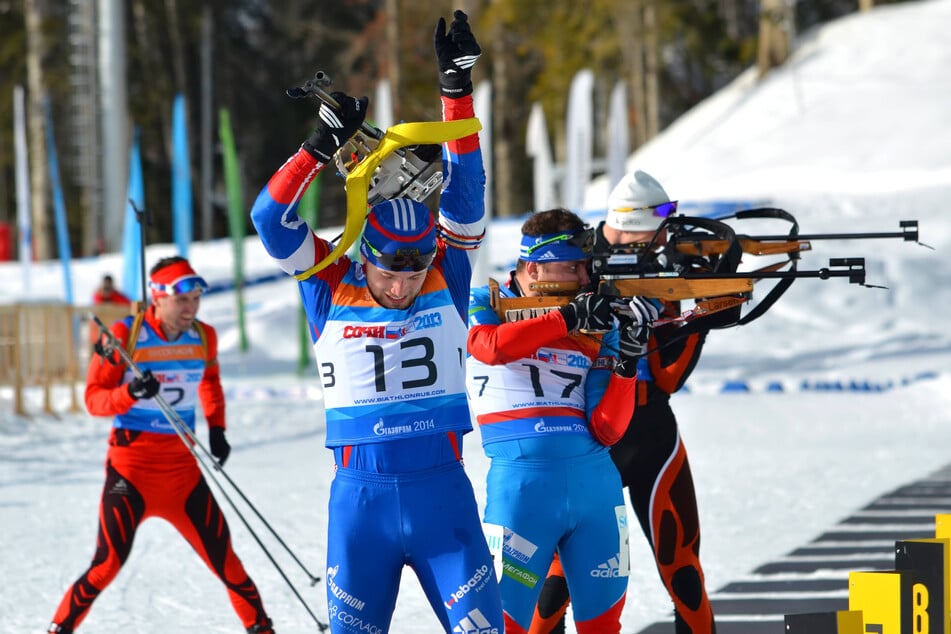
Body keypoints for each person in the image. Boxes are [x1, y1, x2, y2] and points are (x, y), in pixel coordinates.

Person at [249, 10, 503, 634]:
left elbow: (465, 190)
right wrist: (316, 149)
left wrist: (455, 93)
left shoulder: (448, 274)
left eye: (416, 271)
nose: (405, 284)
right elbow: (269, 218)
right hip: (359, 508)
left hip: (443, 498)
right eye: (392, 271)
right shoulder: (330, 280)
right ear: (366, 255)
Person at [531, 170, 717, 634]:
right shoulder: (575, 257)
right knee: (557, 578)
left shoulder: (664, 264)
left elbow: (669, 376)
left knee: (682, 569)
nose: (666, 234)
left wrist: (700, 319)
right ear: (639, 223)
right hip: (588, 431)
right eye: (661, 222)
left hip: (650, 428)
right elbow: (529, 307)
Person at [48, 256, 275, 634]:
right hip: (131, 472)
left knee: (227, 562)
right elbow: (93, 399)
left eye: (196, 299)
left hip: (183, 475)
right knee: (106, 565)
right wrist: (130, 392)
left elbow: (210, 381)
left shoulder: (204, 336)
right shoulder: (124, 335)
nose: (191, 308)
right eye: (182, 300)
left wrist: (217, 428)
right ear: (158, 297)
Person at [465, 207, 658, 634]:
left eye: (586, 267)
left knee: (603, 627)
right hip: (521, 489)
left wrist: (628, 357)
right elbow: (490, 347)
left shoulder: (595, 321)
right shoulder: (485, 300)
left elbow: (607, 429)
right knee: (503, 625)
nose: (585, 278)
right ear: (534, 267)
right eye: (573, 266)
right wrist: (565, 319)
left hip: (595, 486)